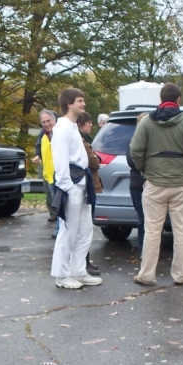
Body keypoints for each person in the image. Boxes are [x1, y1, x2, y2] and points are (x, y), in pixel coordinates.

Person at [129, 83, 183, 286]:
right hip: (181, 184)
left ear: (160, 99)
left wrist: (145, 170)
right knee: (181, 229)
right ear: (179, 99)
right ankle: (180, 275)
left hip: (154, 183)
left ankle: (146, 274)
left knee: (152, 230)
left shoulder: (147, 122)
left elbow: (135, 150)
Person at [50, 88, 102, 289]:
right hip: (72, 184)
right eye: (80, 101)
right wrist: (68, 188)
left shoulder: (72, 128)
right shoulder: (62, 129)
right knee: (68, 231)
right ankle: (62, 275)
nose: (84, 104)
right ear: (69, 104)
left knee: (85, 230)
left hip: (82, 183)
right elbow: (60, 163)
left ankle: (78, 271)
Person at [77, 111, 102, 276]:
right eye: (88, 122)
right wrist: (96, 157)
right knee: (84, 228)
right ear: (81, 124)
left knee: (85, 227)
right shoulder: (83, 141)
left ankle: (85, 262)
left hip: (87, 186)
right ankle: (83, 263)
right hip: (86, 186)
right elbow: (93, 161)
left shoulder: (85, 140)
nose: (91, 125)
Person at [126, 113, 147, 252]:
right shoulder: (133, 142)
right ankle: (143, 249)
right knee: (142, 219)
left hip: (153, 184)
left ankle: (151, 249)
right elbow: (132, 162)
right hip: (138, 185)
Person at [32, 110, 57, 223]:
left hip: (59, 171)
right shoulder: (43, 134)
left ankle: (60, 221)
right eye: (43, 122)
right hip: (47, 170)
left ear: (54, 119)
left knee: (58, 197)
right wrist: (37, 156)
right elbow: (39, 147)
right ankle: (53, 214)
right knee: (49, 194)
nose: (46, 124)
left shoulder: (60, 132)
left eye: (48, 121)